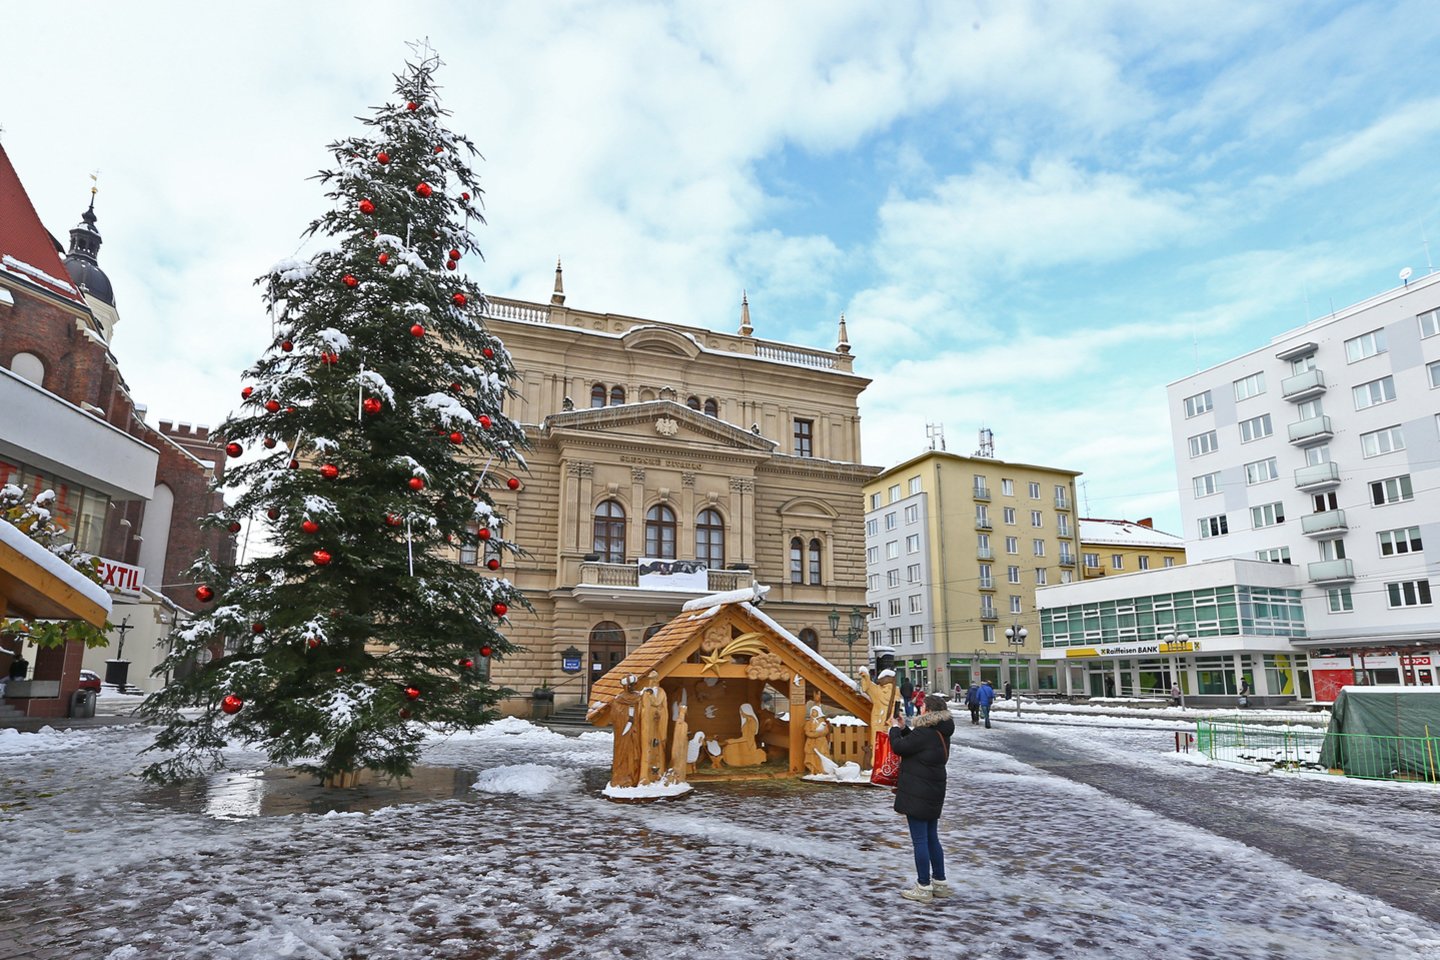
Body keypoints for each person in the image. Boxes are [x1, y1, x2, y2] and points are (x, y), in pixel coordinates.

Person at [889, 693, 955, 903]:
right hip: (933, 791)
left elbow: (900, 747)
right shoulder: (940, 732)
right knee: (932, 837)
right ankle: (940, 883)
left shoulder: (924, 732)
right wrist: (904, 729)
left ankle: (923, 886)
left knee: (920, 840)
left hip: (918, 792)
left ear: (928, 710)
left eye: (923, 706)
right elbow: (917, 746)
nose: (920, 707)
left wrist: (893, 730)